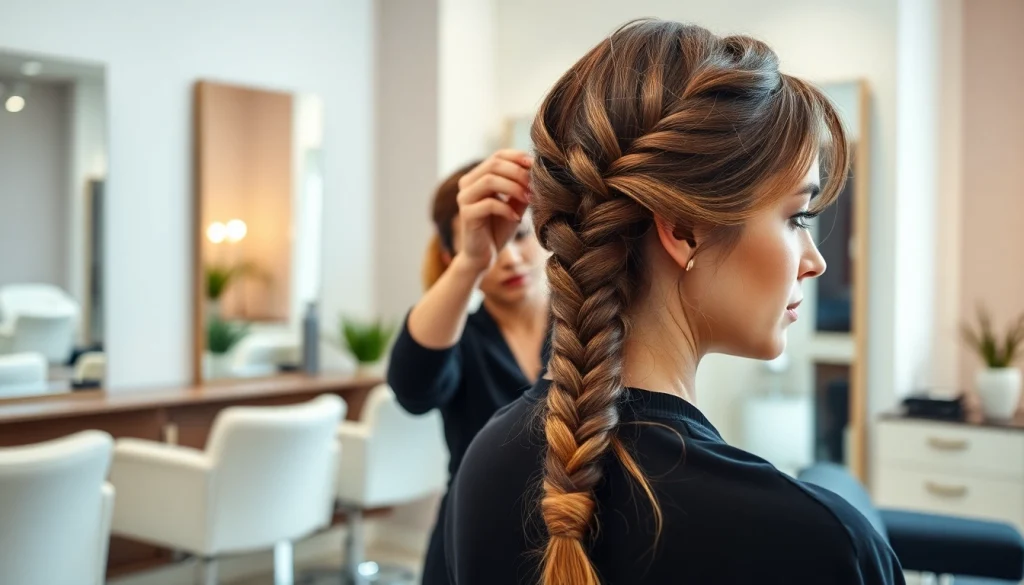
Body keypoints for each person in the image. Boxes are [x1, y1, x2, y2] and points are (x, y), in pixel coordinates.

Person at [444, 19, 905, 585]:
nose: (815, 262)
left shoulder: (485, 463)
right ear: (683, 230)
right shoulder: (823, 545)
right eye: (797, 218)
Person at [387, 152, 551, 585]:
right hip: (473, 547)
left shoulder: (587, 327)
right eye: (492, 245)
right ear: (450, 257)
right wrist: (473, 260)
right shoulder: (458, 338)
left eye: (520, 235)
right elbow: (412, 389)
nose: (509, 258)